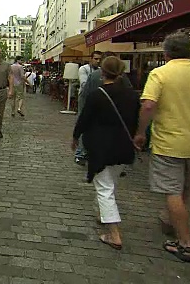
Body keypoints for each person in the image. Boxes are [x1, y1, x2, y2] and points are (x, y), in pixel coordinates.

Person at [133, 31, 190, 263]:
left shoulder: (160, 74)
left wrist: (141, 132)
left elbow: (148, 105)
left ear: (166, 52)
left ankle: (184, 242)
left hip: (168, 141)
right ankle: (174, 220)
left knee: (172, 191)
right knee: (187, 186)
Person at [72, 56, 140, 251]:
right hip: (123, 146)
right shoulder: (132, 95)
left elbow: (84, 119)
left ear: (102, 72)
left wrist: (76, 137)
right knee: (110, 184)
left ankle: (114, 233)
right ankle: (102, 215)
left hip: (101, 147)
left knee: (104, 189)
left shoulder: (98, 94)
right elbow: (135, 121)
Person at [74, 51, 103, 165]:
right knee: (83, 123)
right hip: (85, 98)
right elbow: (84, 84)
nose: (98, 61)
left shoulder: (101, 70)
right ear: (91, 59)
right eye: (96, 59)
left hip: (98, 99)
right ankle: (80, 154)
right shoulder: (84, 69)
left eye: (100, 59)